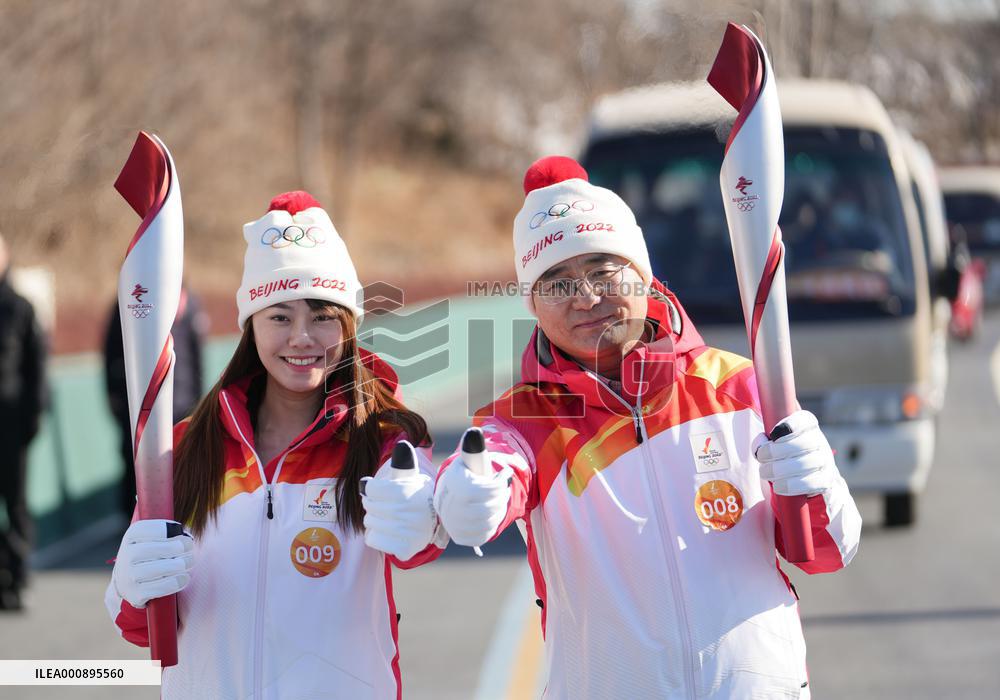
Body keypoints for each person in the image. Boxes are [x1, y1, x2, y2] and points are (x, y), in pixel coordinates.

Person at [433, 157, 862, 699]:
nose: (585, 297)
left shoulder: (741, 388)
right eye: (556, 283)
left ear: (643, 271)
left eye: (601, 270)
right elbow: (488, 461)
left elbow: (825, 552)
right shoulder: (526, 420)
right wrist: (467, 490)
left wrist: (816, 482)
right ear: (533, 305)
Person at [105, 192, 447, 698]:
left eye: (323, 316)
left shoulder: (381, 441)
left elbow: (416, 549)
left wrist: (423, 517)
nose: (302, 338)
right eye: (280, 317)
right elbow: (140, 628)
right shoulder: (183, 451)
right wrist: (128, 589)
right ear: (252, 327)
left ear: (349, 326)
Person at [103, 283, 206, 520]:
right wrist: (116, 401)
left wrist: (198, 402)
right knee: (136, 470)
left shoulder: (189, 303)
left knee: (181, 468)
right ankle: (133, 526)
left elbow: (196, 354)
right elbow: (110, 354)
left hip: (182, 406)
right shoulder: (127, 303)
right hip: (139, 411)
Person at [0, 233, 47, 611]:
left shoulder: (21, 308)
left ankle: (16, 577)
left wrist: (34, 416)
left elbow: (37, 369)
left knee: (15, 503)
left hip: (12, 425)